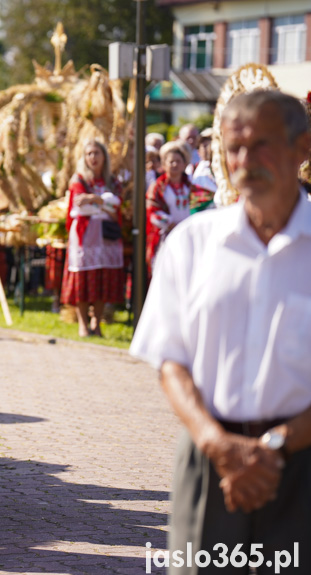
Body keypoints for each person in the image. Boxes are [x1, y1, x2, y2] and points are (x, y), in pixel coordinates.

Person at [130, 90, 311, 575]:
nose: (244, 161)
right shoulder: (191, 242)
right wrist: (217, 445)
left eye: (262, 145)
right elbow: (170, 362)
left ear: (303, 148)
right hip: (209, 461)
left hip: (303, 467)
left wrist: (275, 446)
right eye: (233, 148)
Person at [60, 140, 124, 338]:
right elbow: (79, 204)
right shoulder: (79, 179)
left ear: (104, 156)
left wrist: (95, 200)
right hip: (85, 235)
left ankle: (97, 322)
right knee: (84, 278)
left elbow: (117, 207)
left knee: (102, 277)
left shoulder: (112, 181)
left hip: (106, 234)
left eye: (97, 153)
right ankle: (83, 323)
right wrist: (103, 202)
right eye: (89, 154)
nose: (93, 158)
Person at [145, 141, 197, 275]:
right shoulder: (158, 187)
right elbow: (153, 212)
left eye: (178, 161)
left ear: (185, 164)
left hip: (189, 235)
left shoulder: (191, 186)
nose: (175, 164)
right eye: (171, 161)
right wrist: (170, 224)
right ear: (163, 165)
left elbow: (199, 207)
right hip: (165, 236)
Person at [190, 128, 216, 213]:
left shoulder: (225, 168)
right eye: (204, 146)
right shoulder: (192, 169)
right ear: (198, 151)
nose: (208, 149)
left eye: (210, 145)